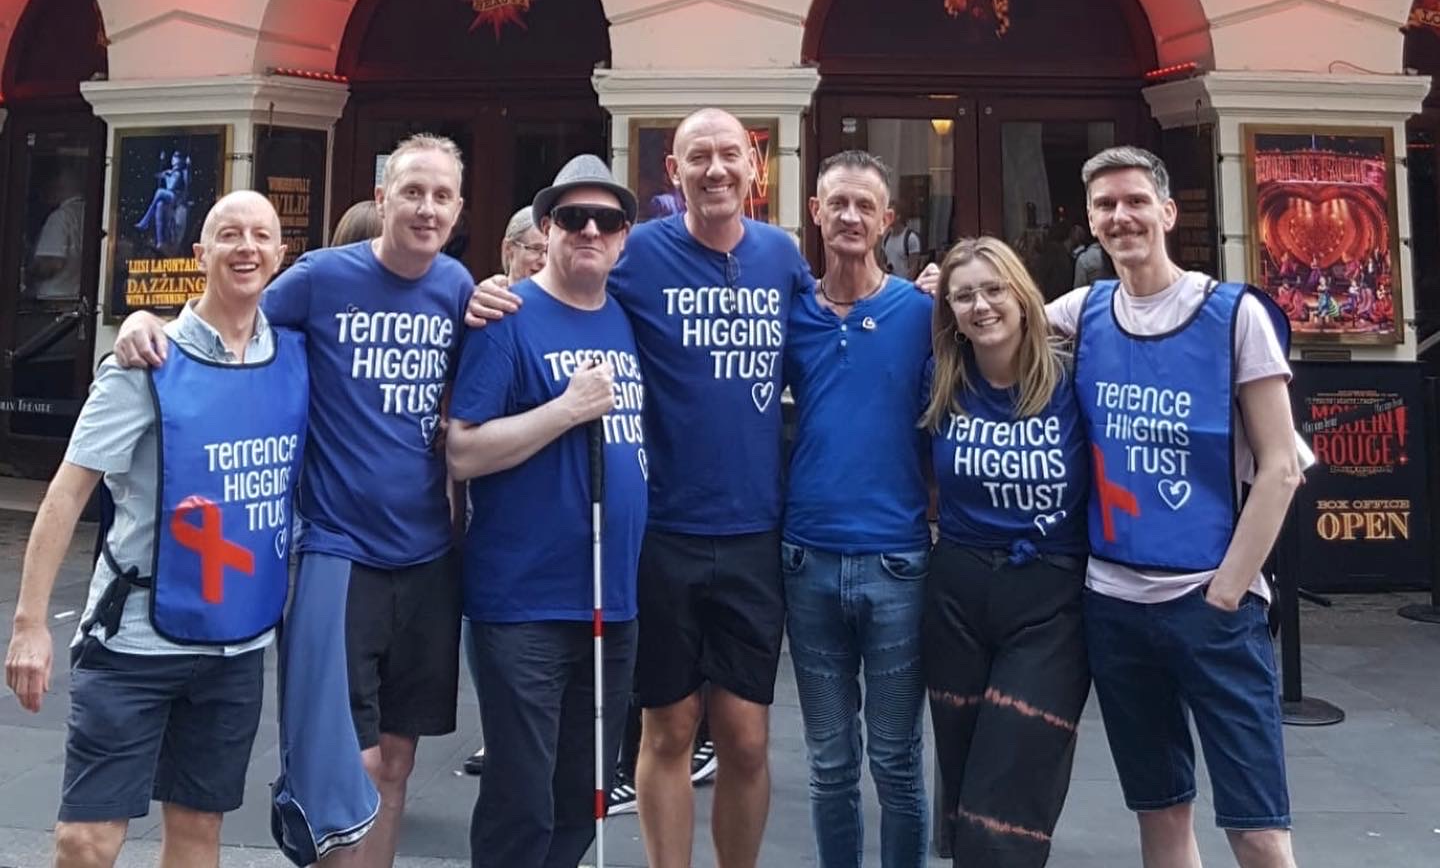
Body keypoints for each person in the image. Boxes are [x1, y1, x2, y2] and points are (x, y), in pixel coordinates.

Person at [111, 133, 476, 868]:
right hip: (341, 552)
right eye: (412, 191)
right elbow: (230, 317)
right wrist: (147, 324)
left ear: (458, 207)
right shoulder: (321, 277)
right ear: (383, 199)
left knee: (397, 763)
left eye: (441, 195)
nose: (426, 207)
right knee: (353, 767)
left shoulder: (458, 288)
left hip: (431, 554)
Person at [467, 107, 813, 868]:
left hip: (754, 529)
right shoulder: (639, 254)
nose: (717, 170)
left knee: (747, 737)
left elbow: (831, 330)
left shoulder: (783, 258)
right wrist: (493, 289)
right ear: (675, 172)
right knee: (668, 729)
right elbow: (565, 279)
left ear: (755, 167)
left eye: (731, 155)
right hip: (661, 533)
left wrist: (925, 298)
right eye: (700, 157)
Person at [4, 191, 305, 868]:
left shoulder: (292, 358)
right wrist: (29, 624)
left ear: (281, 256)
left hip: (235, 644)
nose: (247, 248)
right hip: (135, 639)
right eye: (230, 235)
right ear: (200, 254)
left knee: (198, 833)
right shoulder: (146, 362)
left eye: (262, 235)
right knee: (86, 840)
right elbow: (66, 492)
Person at [1048, 145, 1300, 868]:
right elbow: (999, 330)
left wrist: (1226, 591)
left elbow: (1281, 466)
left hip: (1210, 606)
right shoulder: (1082, 311)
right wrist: (942, 293)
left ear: (1166, 210)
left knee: (1257, 828)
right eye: (1104, 206)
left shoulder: (1233, 314)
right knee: (1161, 818)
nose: (1120, 216)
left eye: (1133, 201)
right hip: (1115, 606)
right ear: (1090, 222)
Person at [448, 153, 645, 868]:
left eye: (606, 220)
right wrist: (564, 411)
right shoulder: (507, 317)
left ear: (625, 237)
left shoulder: (629, 317)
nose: (590, 230)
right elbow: (462, 453)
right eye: (572, 217)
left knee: (585, 792)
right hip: (524, 599)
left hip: (612, 597)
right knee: (521, 794)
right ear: (545, 228)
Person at [782, 150, 933, 867]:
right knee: (830, 761)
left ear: (887, 222)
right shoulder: (792, 315)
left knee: (899, 760)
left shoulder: (923, 313)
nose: (848, 217)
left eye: (863, 206)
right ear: (815, 211)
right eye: (836, 203)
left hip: (898, 560)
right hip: (807, 556)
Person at [921, 236, 1090, 867]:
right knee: (965, 777)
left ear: (1022, 296)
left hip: (1050, 600)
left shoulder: (1074, 377)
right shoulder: (941, 379)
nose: (981, 305)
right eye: (964, 295)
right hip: (957, 596)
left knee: (1013, 781)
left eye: (994, 289)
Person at [29, 167, 87, 300]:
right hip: (75, 296)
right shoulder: (87, 213)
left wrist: (29, 272)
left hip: (54, 299)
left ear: (60, 187)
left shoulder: (61, 217)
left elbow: (53, 262)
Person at [881, 206, 923, 279]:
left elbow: (914, 266)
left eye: (890, 215)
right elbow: (883, 260)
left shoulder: (910, 238)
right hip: (890, 282)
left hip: (903, 283)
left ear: (898, 216)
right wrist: (885, 267)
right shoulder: (886, 237)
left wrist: (907, 285)